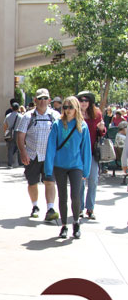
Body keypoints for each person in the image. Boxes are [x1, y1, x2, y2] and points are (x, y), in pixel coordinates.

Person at [44, 96, 91, 239]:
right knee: (62, 196)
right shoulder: (58, 124)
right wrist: (48, 168)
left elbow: (86, 149)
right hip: (60, 165)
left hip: (76, 165)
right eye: (65, 107)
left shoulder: (82, 125)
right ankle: (64, 225)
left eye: (70, 107)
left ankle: (76, 223)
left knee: (76, 196)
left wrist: (86, 170)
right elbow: (51, 147)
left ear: (76, 108)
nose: (68, 110)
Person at [15, 88, 61, 220]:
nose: (42, 101)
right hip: (32, 155)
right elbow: (20, 136)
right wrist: (23, 152)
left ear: (49, 100)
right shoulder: (27, 117)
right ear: (35, 100)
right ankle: (35, 206)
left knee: (50, 182)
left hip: (49, 157)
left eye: (45, 98)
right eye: (40, 98)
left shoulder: (55, 116)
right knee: (32, 182)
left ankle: (50, 208)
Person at [77, 90, 106, 220]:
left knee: (93, 179)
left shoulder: (97, 114)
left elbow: (102, 133)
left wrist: (101, 128)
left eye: (86, 101)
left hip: (92, 153)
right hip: (78, 152)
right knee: (80, 181)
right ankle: (79, 208)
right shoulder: (75, 114)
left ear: (90, 102)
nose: (83, 103)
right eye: (81, 100)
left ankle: (90, 208)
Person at [4, 102, 23, 168]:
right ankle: (20, 163)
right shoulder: (21, 116)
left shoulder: (8, 116)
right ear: (18, 108)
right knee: (20, 148)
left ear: (11, 108)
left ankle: (10, 164)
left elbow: (5, 125)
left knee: (10, 148)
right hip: (18, 132)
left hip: (10, 132)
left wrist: (6, 134)